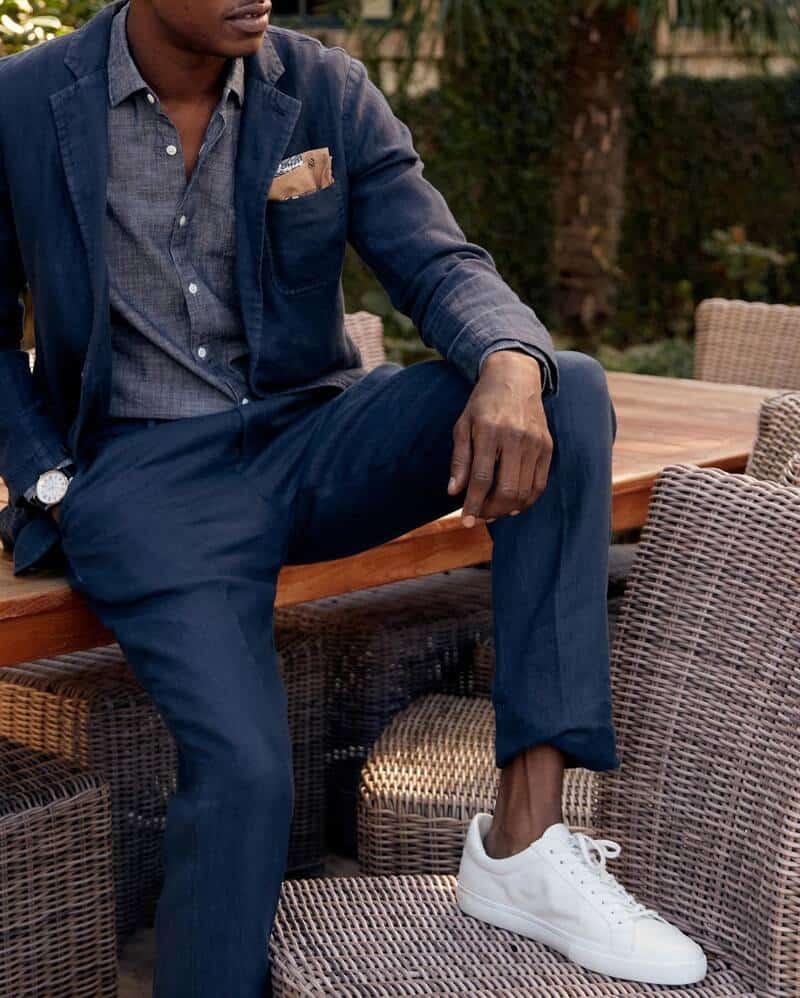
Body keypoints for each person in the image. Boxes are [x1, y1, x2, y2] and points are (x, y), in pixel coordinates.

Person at [0, 1, 707, 994]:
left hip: (307, 437)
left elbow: (436, 261)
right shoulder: (25, 101)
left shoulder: (323, 88)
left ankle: (523, 840)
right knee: (245, 776)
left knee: (564, 384)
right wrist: (51, 479)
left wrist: (506, 356)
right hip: (145, 478)